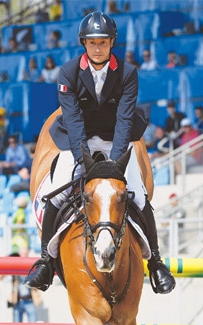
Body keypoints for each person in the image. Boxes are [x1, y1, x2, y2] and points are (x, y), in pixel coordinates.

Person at [24, 11, 175, 295]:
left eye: (103, 42)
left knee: (140, 195)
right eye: (92, 42)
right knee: (56, 191)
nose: (97, 48)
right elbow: (73, 120)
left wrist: (115, 163)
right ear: (84, 43)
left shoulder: (128, 73)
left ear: (111, 43)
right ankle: (45, 261)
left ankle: (155, 262)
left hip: (115, 139)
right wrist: (85, 161)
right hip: (77, 139)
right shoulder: (68, 72)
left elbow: (125, 121)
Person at [5, 249, 41, 325]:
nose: (24, 256)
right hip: (18, 301)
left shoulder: (32, 265)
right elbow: (1, 276)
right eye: (22, 254)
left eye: (25, 254)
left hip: (29, 300)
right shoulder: (15, 265)